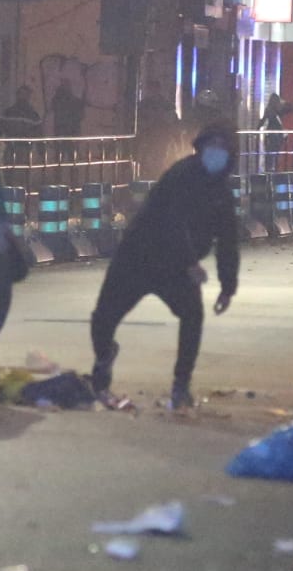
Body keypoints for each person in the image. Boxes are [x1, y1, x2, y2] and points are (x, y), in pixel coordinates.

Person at [90, 124, 240, 410]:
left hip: (176, 269)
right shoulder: (181, 176)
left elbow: (228, 240)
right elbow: (171, 221)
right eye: (212, 146)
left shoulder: (221, 194)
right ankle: (103, 363)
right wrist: (190, 262)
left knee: (192, 317)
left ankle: (181, 385)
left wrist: (227, 286)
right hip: (138, 257)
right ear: (201, 148)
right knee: (104, 317)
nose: (216, 153)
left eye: (223, 148)